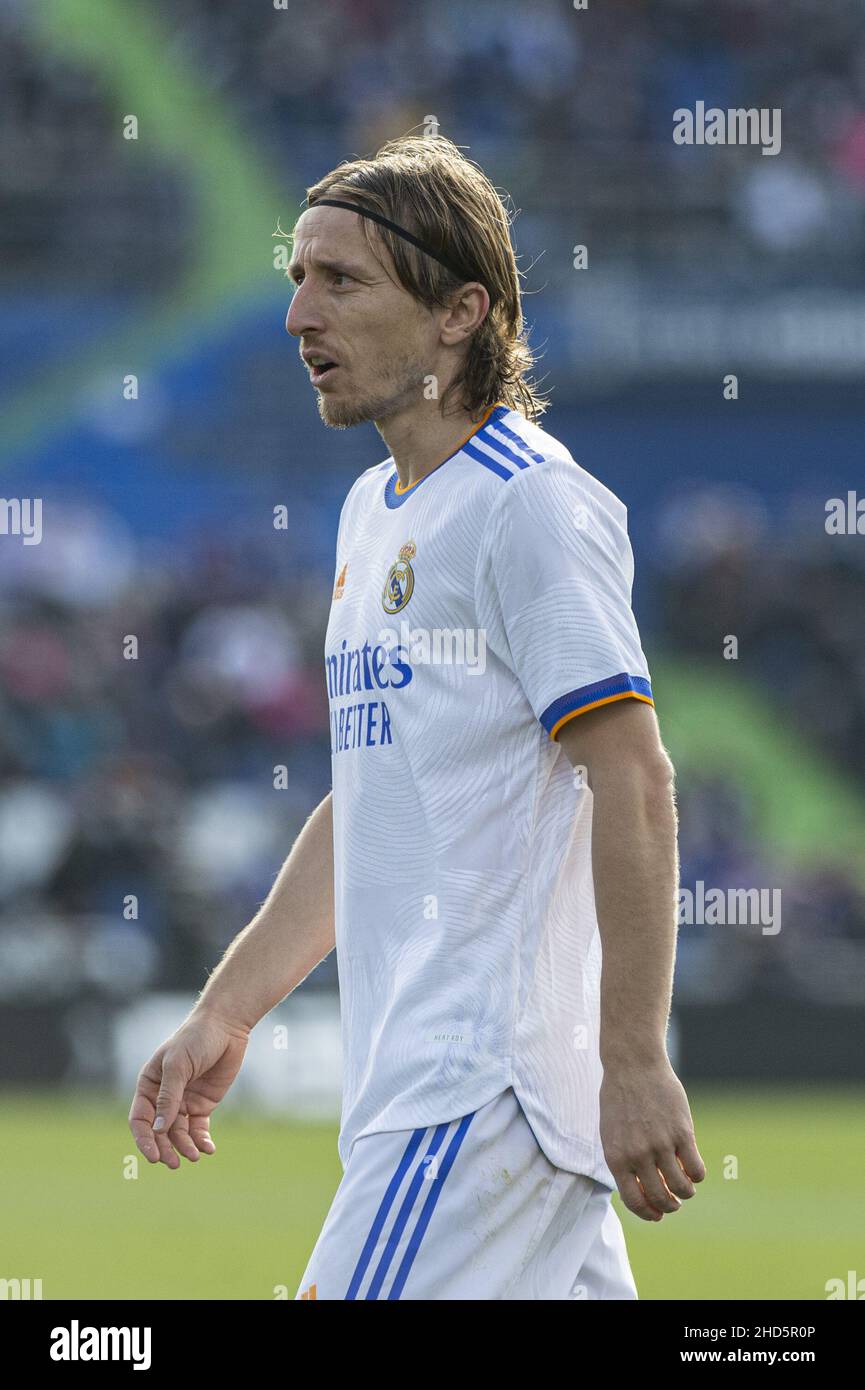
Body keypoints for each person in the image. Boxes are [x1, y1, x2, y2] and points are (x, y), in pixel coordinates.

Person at [129, 133, 705, 1300]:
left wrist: (634, 1054)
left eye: (339, 280)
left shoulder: (529, 507)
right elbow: (378, 799)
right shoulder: (371, 512)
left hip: (475, 1091)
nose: (298, 315)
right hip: (440, 1092)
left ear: (460, 312)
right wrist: (225, 1010)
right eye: (296, 277)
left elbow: (633, 778)